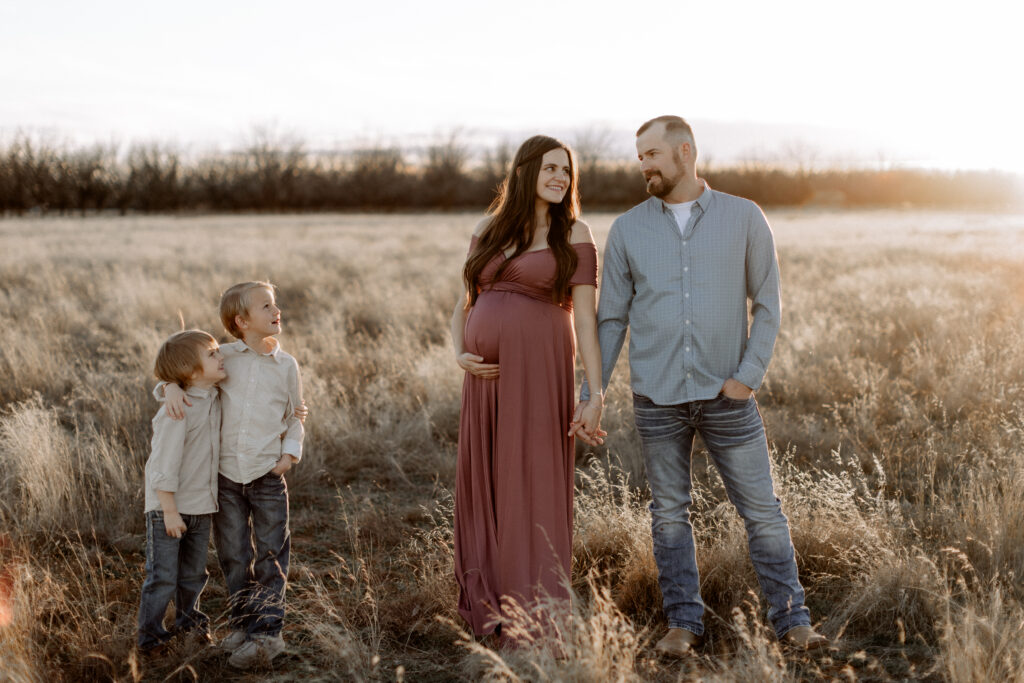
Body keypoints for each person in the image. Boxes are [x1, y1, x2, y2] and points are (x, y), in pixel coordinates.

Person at [577, 116, 828, 656]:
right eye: (639, 156)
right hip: (657, 399)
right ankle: (683, 624)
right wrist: (591, 395)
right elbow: (611, 321)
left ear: (684, 151)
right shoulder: (628, 229)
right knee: (669, 515)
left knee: (762, 511)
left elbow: (768, 304)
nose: (642, 164)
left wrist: (746, 378)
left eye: (650, 154)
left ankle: (793, 621)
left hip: (727, 396)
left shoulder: (744, 217)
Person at [450, 135, 605, 643]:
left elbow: (585, 319)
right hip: (486, 380)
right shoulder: (488, 229)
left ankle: (535, 601)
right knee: (489, 477)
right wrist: (460, 353)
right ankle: (489, 594)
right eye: (551, 169)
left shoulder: (575, 234)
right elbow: (465, 303)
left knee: (531, 475)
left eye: (567, 171)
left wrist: (594, 391)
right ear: (525, 172)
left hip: (540, 371)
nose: (561, 178)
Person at [162, 281, 304, 668]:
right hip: (225, 476)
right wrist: (168, 389)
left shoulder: (286, 366)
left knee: (271, 555)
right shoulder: (223, 357)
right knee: (234, 555)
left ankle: (268, 636)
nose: (276, 311)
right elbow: (182, 373)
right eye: (265, 306)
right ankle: (244, 625)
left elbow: (296, 416)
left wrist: (288, 456)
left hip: (267, 475)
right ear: (241, 321)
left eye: (275, 304)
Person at [137, 329, 225, 656]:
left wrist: (167, 385)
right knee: (162, 577)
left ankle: (192, 627)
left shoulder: (213, 395)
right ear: (190, 372)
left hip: (201, 506)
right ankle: (151, 640)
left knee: (193, 575)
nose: (221, 358)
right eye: (213, 354)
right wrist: (169, 510)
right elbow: (163, 464)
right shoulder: (178, 410)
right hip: (168, 508)